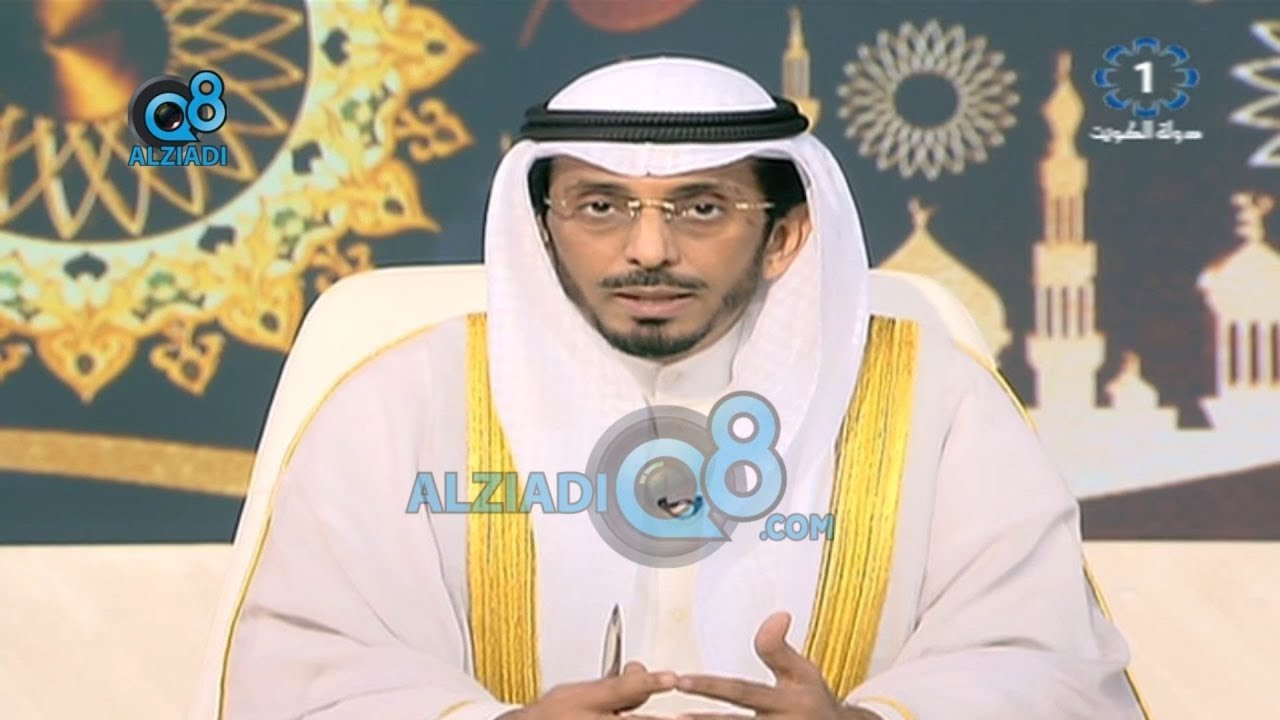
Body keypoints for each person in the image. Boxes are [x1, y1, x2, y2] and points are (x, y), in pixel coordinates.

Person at [209, 56, 1146, 719]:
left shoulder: (933, 403)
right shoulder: (401, 403)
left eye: (701, 207)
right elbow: (308, 670)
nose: (648, 248)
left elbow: (1045, 665)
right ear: (542, 228)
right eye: (599, 206)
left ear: (784, 235)